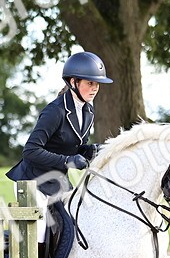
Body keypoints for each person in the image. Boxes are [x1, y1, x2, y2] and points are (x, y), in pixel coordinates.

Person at [6, 51, 113, 200]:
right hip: (33, 182)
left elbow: (70, 147)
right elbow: (30, 151)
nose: (95, 88)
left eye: (97, 84)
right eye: (90, 83)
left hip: (59, 182)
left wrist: (91, 151)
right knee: (43, 223)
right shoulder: (55, 111)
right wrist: (68, 161)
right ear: (74, 81)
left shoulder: (88, 111)